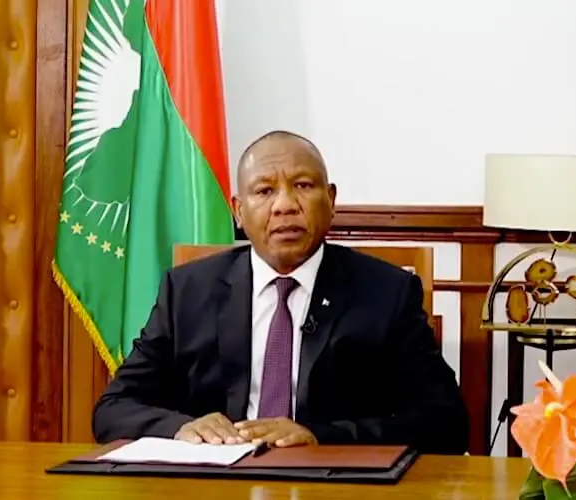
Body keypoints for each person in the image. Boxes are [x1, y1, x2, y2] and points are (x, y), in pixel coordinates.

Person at [92, 130, 469, 454]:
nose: (285, 205)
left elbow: (446, 421)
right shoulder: (187, 292)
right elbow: (113, 408)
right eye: (264, 190)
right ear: (239, 211)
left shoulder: (387, 292)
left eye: (303, 186)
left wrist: (320, 436)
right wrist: (181, 428)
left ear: (331, 200)